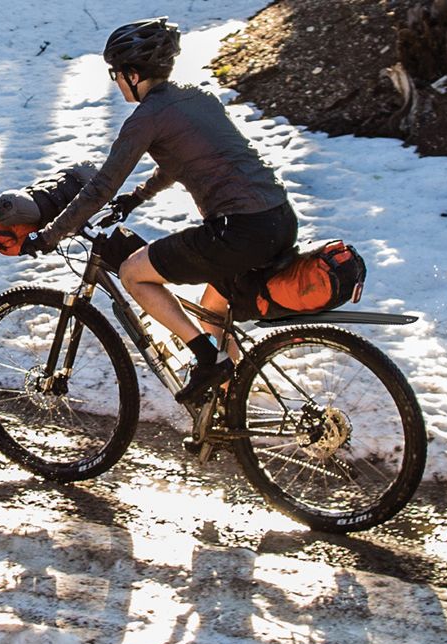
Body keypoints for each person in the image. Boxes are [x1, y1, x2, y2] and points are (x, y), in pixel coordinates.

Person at [22, 17, 298, 404]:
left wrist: (49, 234)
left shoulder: (147, 117)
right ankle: (227, 411)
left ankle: (206, 358)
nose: (115, 81)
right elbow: (177, 163)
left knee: (135, 273)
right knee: (214, 311)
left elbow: (101, 186)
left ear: (133, 74)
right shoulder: (198, 98)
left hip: (239, 231)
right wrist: (135, 198)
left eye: (116, 73)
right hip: (279, 219)